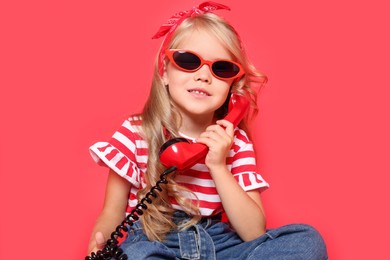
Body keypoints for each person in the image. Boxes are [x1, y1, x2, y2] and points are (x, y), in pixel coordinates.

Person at [87, 1, 328, 259]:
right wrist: (98, 245)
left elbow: (253, 233)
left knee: (307, 241)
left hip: (222, 244)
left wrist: (218, 165)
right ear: (164, 72)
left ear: (232, 88)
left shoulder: (236, 143)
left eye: (221, 68)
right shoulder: (136, 132)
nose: (203, 76)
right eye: (188, 61)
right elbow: (112, 212)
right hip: (155, 241)